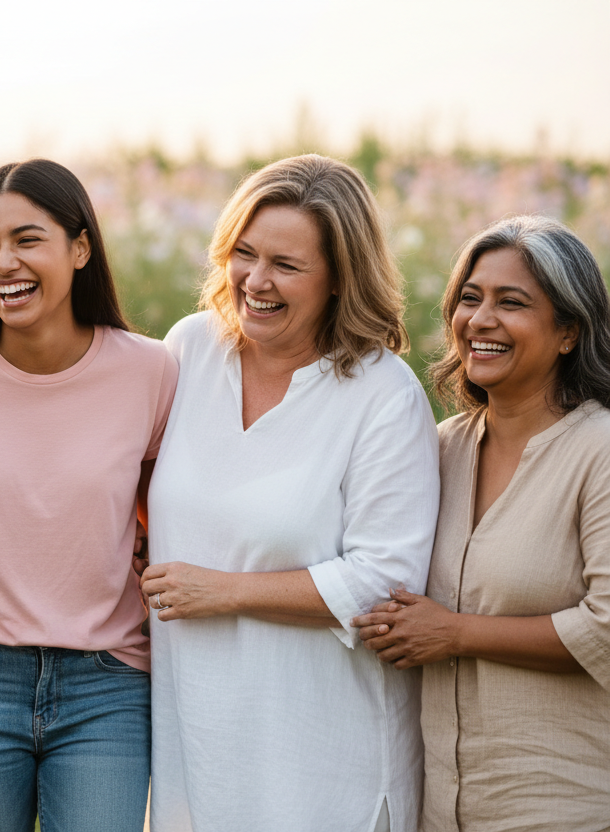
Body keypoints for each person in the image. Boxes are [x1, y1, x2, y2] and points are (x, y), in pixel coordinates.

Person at [138, 155, 439, 832]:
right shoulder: (189, 350)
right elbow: (115, 464)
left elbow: (387, 576)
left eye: (286, 265)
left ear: (339, 279)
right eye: (243, 254)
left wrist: (227, 590)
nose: (256, 280)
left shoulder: (384, 396)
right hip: (200, 736)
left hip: (324, 751)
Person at [0, 158, 178, 832]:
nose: (2, 262)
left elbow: (158, 515)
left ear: (79, 248)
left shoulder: (149, 370)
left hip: (107, 681)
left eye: (27, 239)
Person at [353, 216, 610, 831]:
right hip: (438, 813)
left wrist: (457, 634)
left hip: (565, 810)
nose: (481, 320)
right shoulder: (436, 450)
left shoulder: (598, 449)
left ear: (569, 332)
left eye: (511, 302)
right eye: (470, 298)